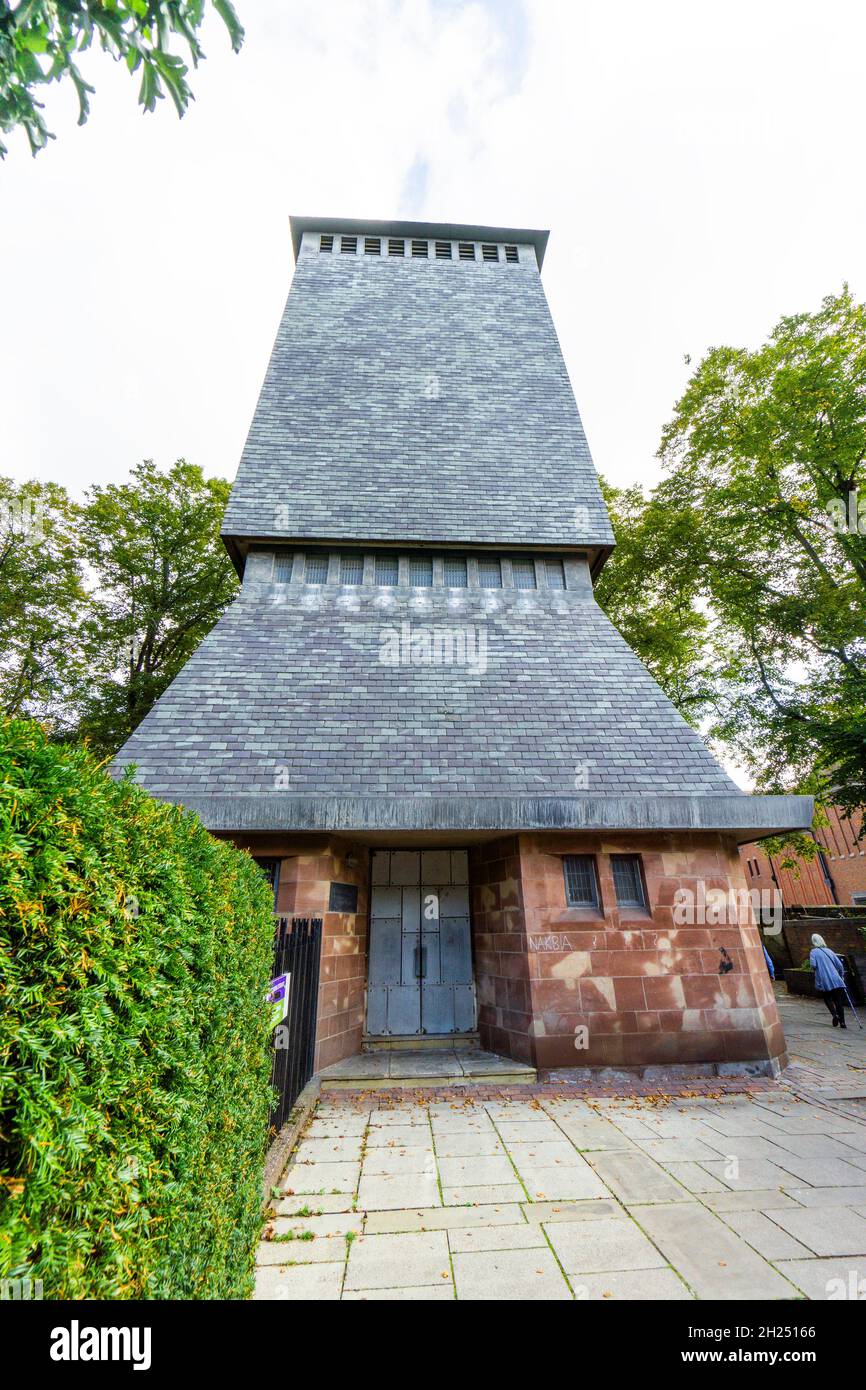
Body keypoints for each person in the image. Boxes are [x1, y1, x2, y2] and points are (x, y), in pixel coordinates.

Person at [809, 933, 848, 1029]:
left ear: (813, 942)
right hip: (836, 979)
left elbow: (813, 966)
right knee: (838, 1000)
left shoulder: (813, 952)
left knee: (827, 998)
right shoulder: (830, 951)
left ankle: (835, 1015)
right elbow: (839, 965)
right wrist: (841, 975)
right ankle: (843, 1023)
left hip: (824, 980)